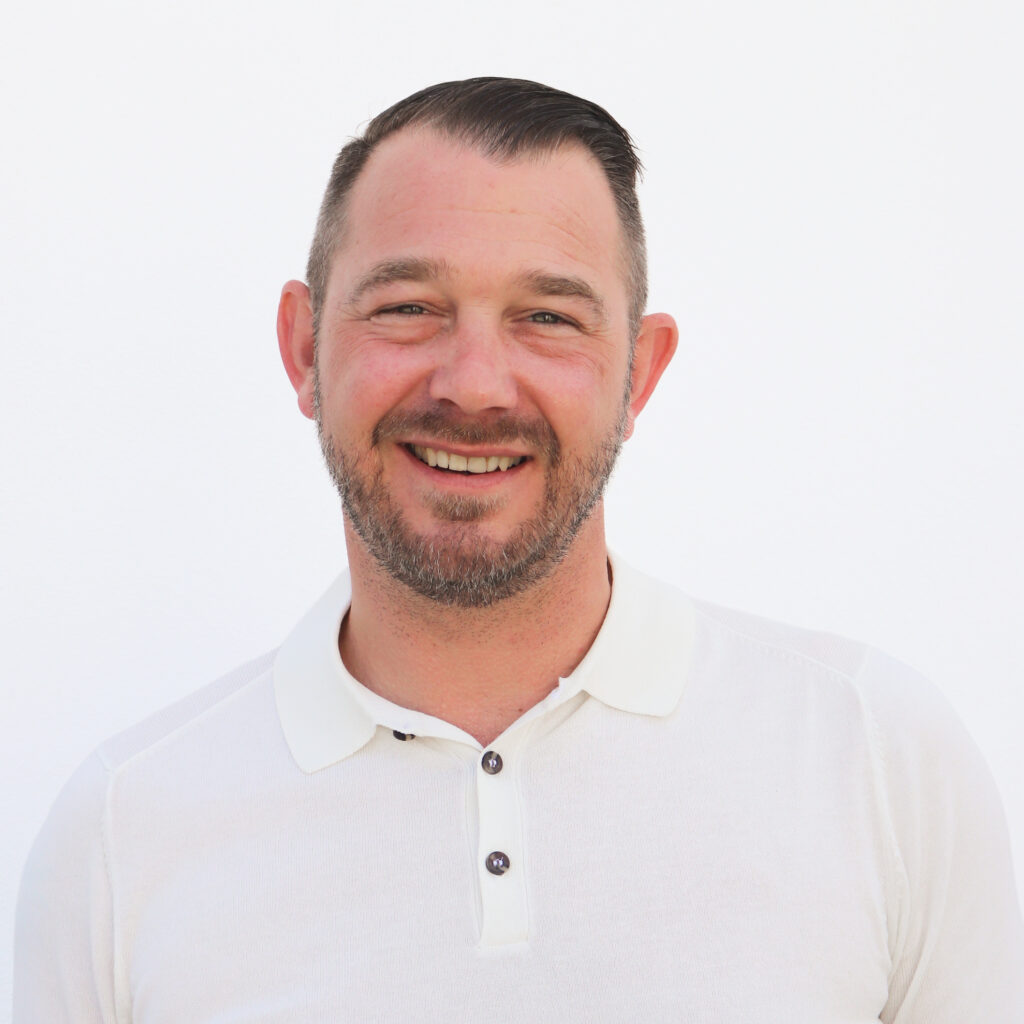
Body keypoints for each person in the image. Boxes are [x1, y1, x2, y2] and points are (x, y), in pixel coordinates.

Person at [14, 78, 1024, 1022]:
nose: (476, 384)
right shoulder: (120, 833)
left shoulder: (875, 756)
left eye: (547, 318)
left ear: (638, 370)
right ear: (304, 347)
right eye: (408, 307)